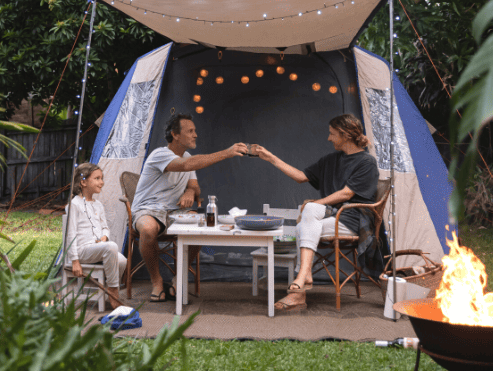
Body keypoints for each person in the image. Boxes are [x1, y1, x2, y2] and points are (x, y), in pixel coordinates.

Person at [255, 113, 379, 311]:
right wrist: (271, 158)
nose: (329, 138)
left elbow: (346, 194)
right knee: (304, 225)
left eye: (332, 134)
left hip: (352, 220)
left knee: (305, 220)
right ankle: (303, 280)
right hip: (329, 218)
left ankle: (300, 286)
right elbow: (301, 177)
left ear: (345, 134)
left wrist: (313, 204)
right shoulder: (331, 160)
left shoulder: (366, 162)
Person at [131, 113, 248, 302]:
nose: (195, 135)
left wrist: (190, 192)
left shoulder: (188, 156)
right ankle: (157, 282)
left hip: (175, 211)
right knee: (148, 228)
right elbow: (185, 166)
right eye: (190, 131)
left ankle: (179, 276)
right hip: (149, 209)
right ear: (175, 135)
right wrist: (227, 152)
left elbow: (194, 185)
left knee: (201, 225)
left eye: (195, 131)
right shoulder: (160, 155)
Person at [67, 163, 127, 309]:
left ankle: (111, 288)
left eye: (102, 178)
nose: (102, 182)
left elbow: (105, 227)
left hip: (97, 247)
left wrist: (104, 237)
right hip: (82, 251)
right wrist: (75, 261)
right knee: (112, 247)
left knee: (122, 260)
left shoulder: (98, 205)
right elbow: (70, 234)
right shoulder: (74, 205)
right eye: (97, 178)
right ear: (83, 182)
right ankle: (113, 293)